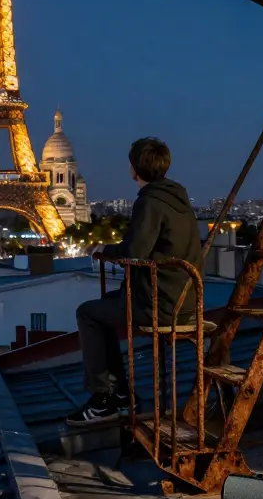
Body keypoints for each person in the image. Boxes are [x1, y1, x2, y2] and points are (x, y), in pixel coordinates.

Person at [67, 137, 201, 427]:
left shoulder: (150, 201)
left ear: (135, 168)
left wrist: (105, 250)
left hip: (159, 304)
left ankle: (104, 398)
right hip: (183, 298)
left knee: (87, 313)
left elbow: (134, 251)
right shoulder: (177, 198)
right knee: (104, 307)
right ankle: (120, 394)